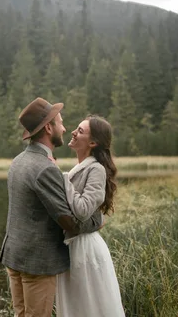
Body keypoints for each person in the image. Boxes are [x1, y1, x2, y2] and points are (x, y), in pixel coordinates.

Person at [0, 97, 104, 317]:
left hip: (14, 256)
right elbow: (68, 221)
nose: (65, 128)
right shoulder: (45, 168)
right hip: (36, 263)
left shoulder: (18, 161)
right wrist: (96, 221)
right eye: (61, 123)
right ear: (48, 127)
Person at [55, 115, 125, 317]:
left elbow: (84, 210)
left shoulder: (96, 169)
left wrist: (63, 179)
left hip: (86, 250)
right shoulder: (79, 168)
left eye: (80, 131)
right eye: (76, 128)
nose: (73, 132)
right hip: (73, 247)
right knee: (78, 307)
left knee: (92, 307)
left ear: (93, 143)